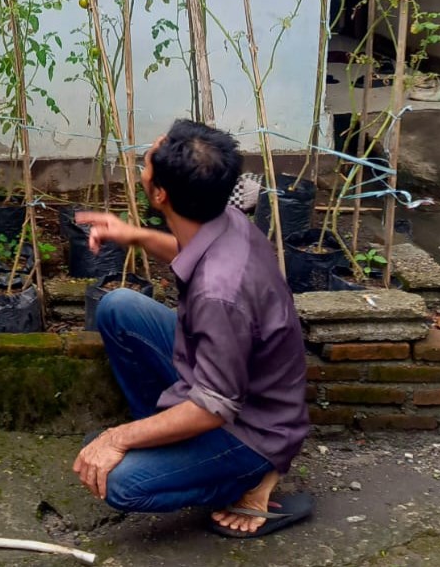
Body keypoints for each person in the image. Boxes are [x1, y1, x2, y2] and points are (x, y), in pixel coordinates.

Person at [73, 120, 312, 539]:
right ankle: (170, 440)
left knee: (117, 481)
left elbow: (214, 406)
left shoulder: (220, 293)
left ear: (160, 193)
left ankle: (249, 480)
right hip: (226, 378)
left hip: (251, 425)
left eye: (153, 155)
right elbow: (191, 249)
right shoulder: (227, 217)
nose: (150, 151)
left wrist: (117, 438)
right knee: (118, 307)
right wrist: (135, 235)